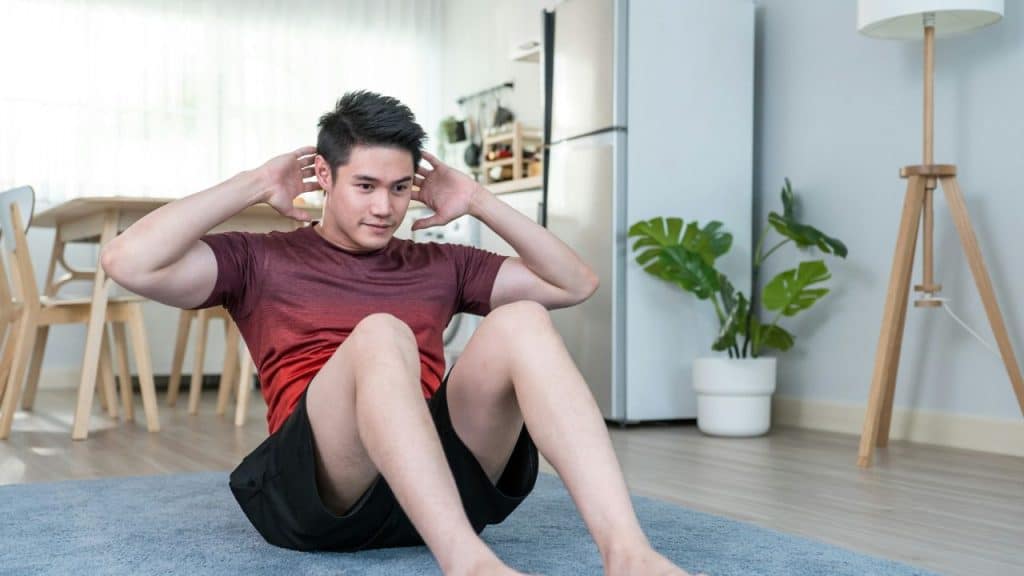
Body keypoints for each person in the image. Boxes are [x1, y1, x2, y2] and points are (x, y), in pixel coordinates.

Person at [101, 91, 697, 576]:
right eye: (365, 185)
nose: (385, 207)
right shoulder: (260, 259)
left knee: (524, 319)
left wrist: (479, 200)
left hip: (435, 481)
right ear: (323, 180)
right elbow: (127, 262)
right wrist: (255, 182)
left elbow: (575, 283)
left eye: (400, 187)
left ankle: (628, 554)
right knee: (381, 334)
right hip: (325, 491)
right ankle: (468, 565)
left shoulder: (439, 263)